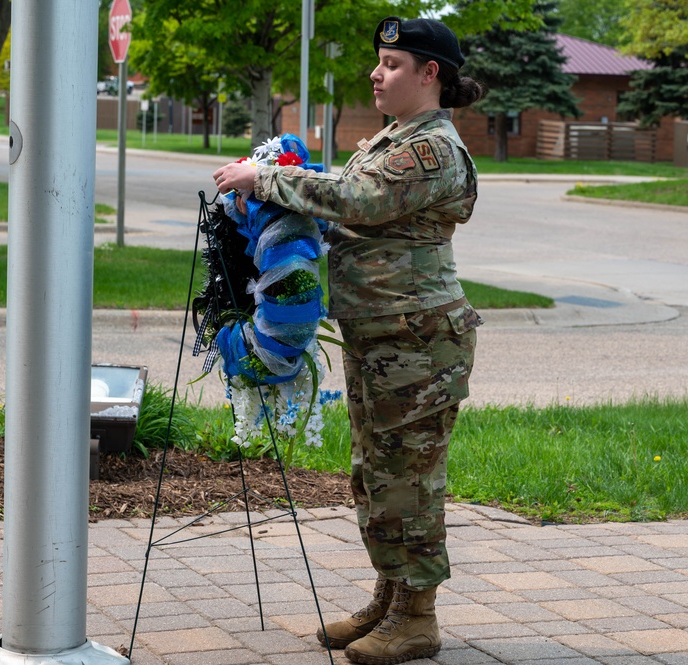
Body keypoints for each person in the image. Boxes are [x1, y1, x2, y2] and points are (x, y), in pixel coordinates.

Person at [213, 15, 484, 665]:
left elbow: (357, 200)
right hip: (384, 338)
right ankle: (391, 597)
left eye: (392, 63)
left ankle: (418, 617)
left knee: (408, 480)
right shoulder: (396, 137)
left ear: (430, 74)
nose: (376, 72)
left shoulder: (433, 148)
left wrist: (265, 179)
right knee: (376, 475)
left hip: (417, 343)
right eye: (378, 61)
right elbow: (347, 201)